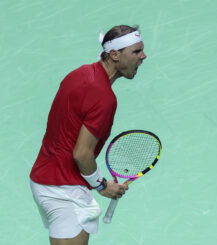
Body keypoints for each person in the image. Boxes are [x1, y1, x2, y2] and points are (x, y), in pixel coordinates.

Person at [30, 25, 147, 245]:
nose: (143, 56)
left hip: (43, 178)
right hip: (64, 191)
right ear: (114, 55)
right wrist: (102, 185)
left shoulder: (80, 74)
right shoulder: (104, 98)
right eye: (136, 51)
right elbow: (82, 154)